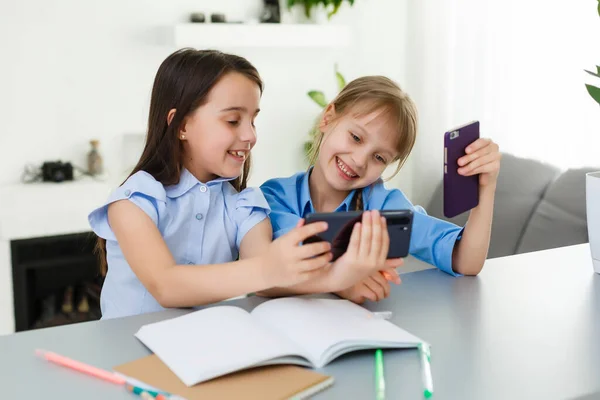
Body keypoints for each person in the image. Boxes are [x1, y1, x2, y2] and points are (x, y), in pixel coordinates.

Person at [88, 49, 341, 319]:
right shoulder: (134, 201)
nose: (250, 135)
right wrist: (268, 268)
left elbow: (269, 278)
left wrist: (342, 277)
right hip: (128, 353)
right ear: (181, 125)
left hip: (205, 351)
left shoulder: (243, 205)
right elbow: (166, 285)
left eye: (253, 120)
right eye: (233, 121)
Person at [260, 76, 501, 303]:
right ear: (327, 119)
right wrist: (342, 281)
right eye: (355, 137)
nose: (359, 160)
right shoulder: (274, 197)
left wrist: (486, 188)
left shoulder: (385, 206)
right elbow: (267, 271)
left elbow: (466, 261)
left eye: (378, 157)